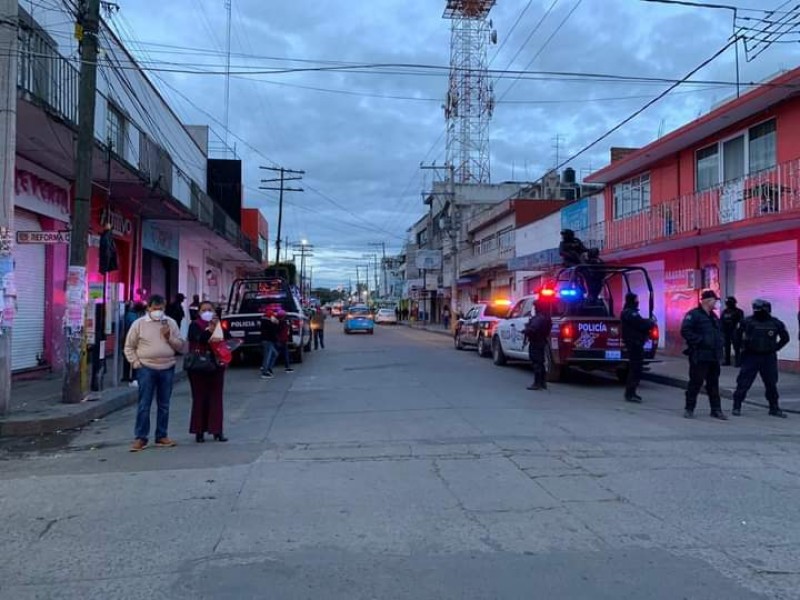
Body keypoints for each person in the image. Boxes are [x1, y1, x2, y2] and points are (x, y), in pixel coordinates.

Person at [124, 294, 186, 452]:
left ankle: (161, 435)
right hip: (146, 368)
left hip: (167, 367)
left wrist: (169, 337)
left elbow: (181, 346)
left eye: (161, 309)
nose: (158, 311)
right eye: (155, 308)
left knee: (164, 404)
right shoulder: (139, 324)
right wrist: (136, 363)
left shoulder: (170, 323)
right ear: (148, 308)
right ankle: (141, 437)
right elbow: (129, 346)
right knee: (144, 404)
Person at [732, 299, 790, 418]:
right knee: (743, 383)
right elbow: (736, 337)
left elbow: (785, 338)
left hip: (768, 357)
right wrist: (741, 350)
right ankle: (736, 406)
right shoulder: (747, 322)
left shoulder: (775, 323)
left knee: (771, 383)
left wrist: (775, 348)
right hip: (751, 356)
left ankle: (774, 408)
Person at [680, 290, 727, 420]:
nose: (716, 303)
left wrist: (720, 343)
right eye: (714, 300)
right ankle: (689, 409)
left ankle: (716, 410)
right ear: (707, 301)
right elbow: (685, 331)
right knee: (696, 382)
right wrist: (700, 340)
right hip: (700, 355)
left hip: (713, 356)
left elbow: (719, 332)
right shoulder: (694, 315)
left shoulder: (714, 317)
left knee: (713, 383)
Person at [187, 302, 230, 442]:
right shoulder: (194, 325)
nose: (207, 312)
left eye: (210, 310)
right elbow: (197, 339)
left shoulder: (219, 324)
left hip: (217, 365)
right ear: (199, 312)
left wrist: (218, 327)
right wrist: (208, 330)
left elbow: (227, 339)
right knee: (199, 398)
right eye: (204, 310)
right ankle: (199, 431)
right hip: (199, 365)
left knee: (216, 398)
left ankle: (217, 430)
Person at [620, 292, 654, 403]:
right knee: (635, 369)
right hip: (634, 344)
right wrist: (650, 322)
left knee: (636, 368)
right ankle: (630, 393)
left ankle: (631, 392)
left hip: (636, 343)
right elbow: (640, 324)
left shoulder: (630, 312)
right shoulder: (630, 313)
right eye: (636, 299)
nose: (638, 301)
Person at [523, 298, 553, 391]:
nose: (534, 308)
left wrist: (526, 330)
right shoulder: (546, 317)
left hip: (536, 341)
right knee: (541, 362)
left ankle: (537, 383)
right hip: (542, 341)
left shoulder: (539, 318)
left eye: (535, 306)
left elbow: (533, 329)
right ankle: (542, 383)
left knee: (536, 362)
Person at [122, 301, 146, 385]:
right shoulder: (134, 317)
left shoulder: (129, 315)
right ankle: (134, 377)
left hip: (127, 340)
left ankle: (126, 376)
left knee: (127, 359)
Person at [721, 296, 744, 366]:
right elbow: (721, 321)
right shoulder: (724, 311)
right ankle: (727, 361)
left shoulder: (739, 311)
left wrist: (738, 330)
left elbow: (741, 322)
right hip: (726, 331)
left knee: (736, 347)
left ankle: (738, 361)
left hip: (735, 331)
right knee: (727, 347)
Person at [260, 310, 280, 379]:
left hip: (267, 340)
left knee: (274, 354)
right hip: (268, 341)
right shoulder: (268, 323)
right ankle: (265, 372)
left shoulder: (264, 321)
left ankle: (268, 368)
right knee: (267, 357)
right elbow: (273, 332)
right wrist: (275, 323)